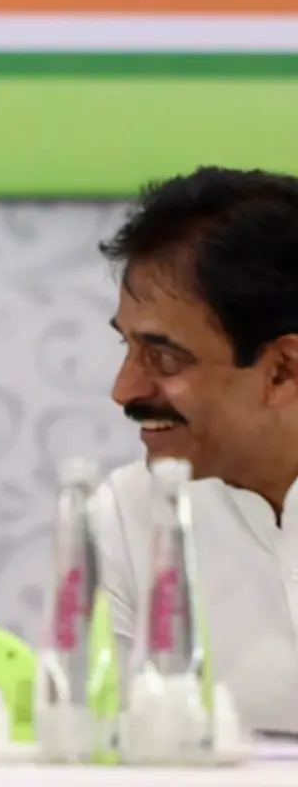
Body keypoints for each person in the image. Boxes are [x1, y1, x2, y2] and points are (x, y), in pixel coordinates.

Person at [93, 166, 298, 733]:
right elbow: (106, 743)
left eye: (163, 357)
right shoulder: (128, 511)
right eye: (127, 346)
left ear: (283, 370)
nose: (124, 390)